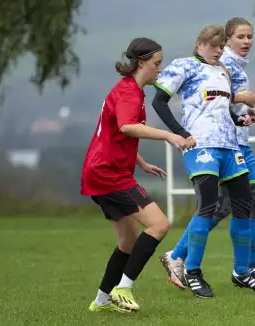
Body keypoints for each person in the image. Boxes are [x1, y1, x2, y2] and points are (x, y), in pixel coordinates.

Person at [158, 17, 255, 289]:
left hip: (235, 141)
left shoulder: (228, 67)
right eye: (240, 36)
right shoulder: (215, 63)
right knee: (231, 205)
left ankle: (247, 269)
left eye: (250, 36)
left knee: (249, 205)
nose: (247, 41)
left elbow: (223, 105)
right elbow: (210, 99)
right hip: (221, 144)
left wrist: (244, 115)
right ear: (226, 39)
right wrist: (243, 100)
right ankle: (194, 261)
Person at [82, 37, 188, 313]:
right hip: (109, 175)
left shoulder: (128, 90)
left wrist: (139, 162)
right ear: (141, 63)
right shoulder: (130, 92)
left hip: (99, 173)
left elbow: (115, 131)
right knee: (160, 225)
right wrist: (168, 135)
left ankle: (101, 301)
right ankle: (124, 288)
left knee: (127, 242)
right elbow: (128, 127)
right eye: (157, 64)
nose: (160, 69)